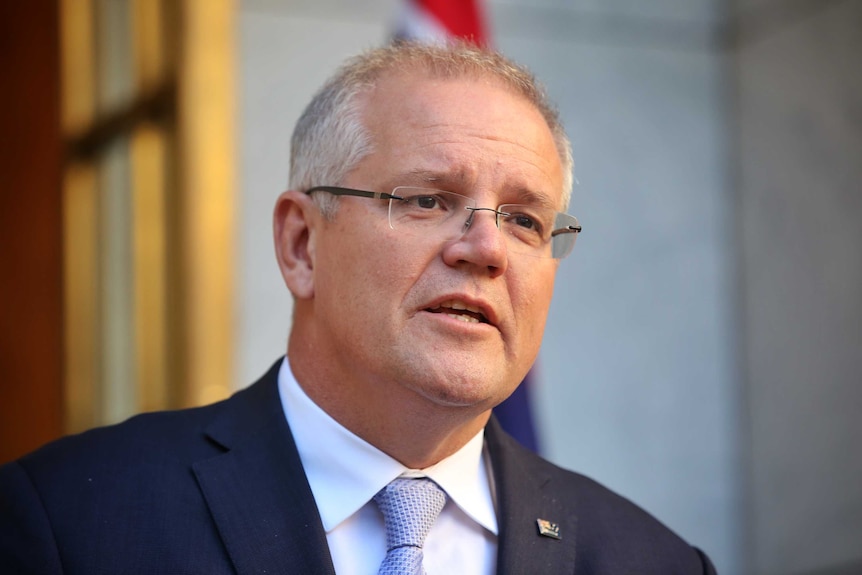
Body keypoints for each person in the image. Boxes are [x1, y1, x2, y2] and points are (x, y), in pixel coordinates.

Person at [0, 41, 716, 574]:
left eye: (526, 220)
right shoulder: (70, 520)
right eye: (429, 199)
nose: (486, 249)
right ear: (302, 243)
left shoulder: (654, 561)